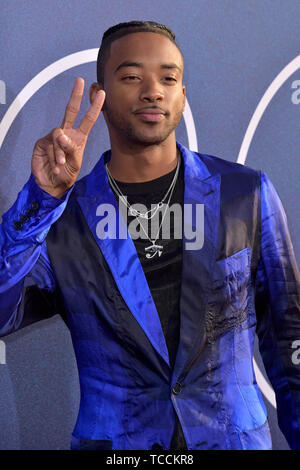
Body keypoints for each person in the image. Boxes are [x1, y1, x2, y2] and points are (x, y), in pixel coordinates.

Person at [0, 20, 299, 451]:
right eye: (132, 77)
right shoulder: (64, 219)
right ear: (100, 96)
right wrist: (41, 200)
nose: (153, 91)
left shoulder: (245, 193)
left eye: (168, 77)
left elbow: (289, 334)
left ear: (182, 95)